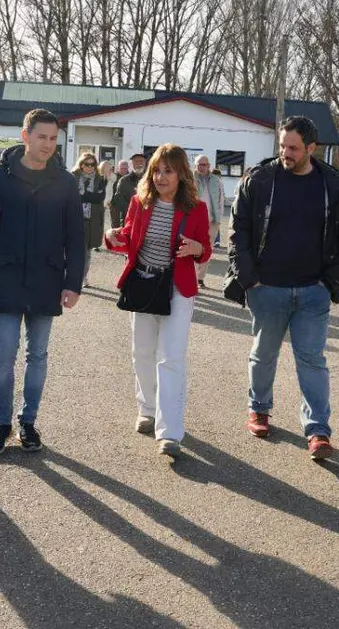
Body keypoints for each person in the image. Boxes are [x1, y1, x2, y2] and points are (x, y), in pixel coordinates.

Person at [225, 116, 339, 461]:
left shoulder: (334, 185)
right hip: (266, 288)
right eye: (282, 145)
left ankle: (318, 431)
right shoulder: (260, 179)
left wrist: (330, 281)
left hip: (313, 291)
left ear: (312, 149)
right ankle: (259, 410)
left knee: (312, 360)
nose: (286, 152)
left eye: (293, 148)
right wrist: (249, 278)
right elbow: (238, 230)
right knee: (264, 354)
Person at [0, 109, 85, 456]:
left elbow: (75, 237)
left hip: (46, 280)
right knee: (4, 354)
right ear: (25, 136)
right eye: (42, 137)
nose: (49, 144)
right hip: (3, 277)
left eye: (54, 139)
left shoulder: (65, 182)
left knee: (38, 355)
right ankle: (2, 423)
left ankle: (28, 423)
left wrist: (73, 282)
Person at [105, 144, 212, 458]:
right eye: (157, 170)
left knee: (172, 357)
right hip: (143, 284)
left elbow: (205, 248)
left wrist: (195, 249)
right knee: (142, 352)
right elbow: (129, 237)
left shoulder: (197, 208)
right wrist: (113, 236)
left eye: (168, 170)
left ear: (182, 174)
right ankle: (147, 409)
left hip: (177, 288)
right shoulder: (141, 202)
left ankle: (170, 432)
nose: (161, 176)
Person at [72, 154, 108, 286]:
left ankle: (83, 277)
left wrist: (83, 195)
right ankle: (71, 276)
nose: (90, 167)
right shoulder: (72, 177)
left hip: (91, 220)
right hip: (74, 220)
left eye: (93, 164)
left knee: (87, 252)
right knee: (72, 251)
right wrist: (89, 196)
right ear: (81, 164)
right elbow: (71, 196)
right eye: (87, 164)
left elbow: (99, 198)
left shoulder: (100, 179)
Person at [193, 154, 226, 287]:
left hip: (212, 221)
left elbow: (221, 200)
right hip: (194, 221)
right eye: (200, 165)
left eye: (205, 165)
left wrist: (219, 218)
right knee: (194, 249)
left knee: (207, 250)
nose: (202, 167)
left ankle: (200, 278)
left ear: (209, 166)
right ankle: (193, 277)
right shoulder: (189, 179)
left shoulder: (216, 180)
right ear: (195, 166)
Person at [111, 153, 146, 230]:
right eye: (136, 161)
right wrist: (133, 210)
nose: (139, 164)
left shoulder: (150, 180)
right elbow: (118, 199)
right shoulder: (124, 180)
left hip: (146, 220)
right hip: (128, 220)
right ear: (132, 163)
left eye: (141, 161)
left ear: (145, 163)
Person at [109, 159, 131, 228]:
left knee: (126, 224)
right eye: (121, 168)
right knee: (115, 224)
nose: (123, 170)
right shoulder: (113, 177)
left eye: (125, 168)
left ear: (128, 168)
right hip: (114, 205)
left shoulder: (131, 178)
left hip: (127, 205)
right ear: (118, 168)